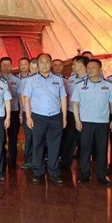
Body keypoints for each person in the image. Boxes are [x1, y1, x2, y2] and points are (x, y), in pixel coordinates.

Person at [72, 59, 112, 186]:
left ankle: (101, 175)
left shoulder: (108, 85)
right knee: (85, 149)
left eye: (93, 67)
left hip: (102, 122)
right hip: (85, 121)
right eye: (88, 68)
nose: (90, 70)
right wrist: (77, 120)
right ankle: (84, 174)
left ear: (100, 69)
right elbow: (76, 104)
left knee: (102, 149)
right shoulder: (79, 85)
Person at [22, 53, 67, 184]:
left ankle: (53, 172)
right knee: (38, 144)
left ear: (51, 63)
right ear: (38, 64)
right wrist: (28, 117)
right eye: (41, 62)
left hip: (55, 116)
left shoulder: (58, 80)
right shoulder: (31, 80)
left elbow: (63, 98)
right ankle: (38, 172)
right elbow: (26, 99)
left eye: (47, 62)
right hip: (38, 116)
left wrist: (64, 117)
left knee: (54, 145)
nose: (44, 65)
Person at [60, 56, 88, 168]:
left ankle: (84, 166)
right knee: (69, 138)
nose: (72, 66)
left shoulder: (91, 79)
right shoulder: (71, 79)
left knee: (84, 140)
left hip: (85, 114)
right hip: (71, 112)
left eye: (74, 64)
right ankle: (65, 163)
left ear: (81, 65)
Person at [0, 57, 21, 168]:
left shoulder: (16, 80)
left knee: (13, 137)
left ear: (11, 66)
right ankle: (0, 159)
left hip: (13, 111)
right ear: (0, 66)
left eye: (8, 65)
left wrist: (21, 112)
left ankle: (12, 161)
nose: (6, 67)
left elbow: (20, 97)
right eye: (4, 65)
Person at [16, 57, 33, 169]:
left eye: (25, 64)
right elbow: (20, 97)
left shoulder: (34, 78)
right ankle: (28, 159)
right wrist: (22, 112)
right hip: (23, 109)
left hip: (37, 110)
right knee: (28, 136)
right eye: (21, 64)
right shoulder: (16, 78)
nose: (23, 66)